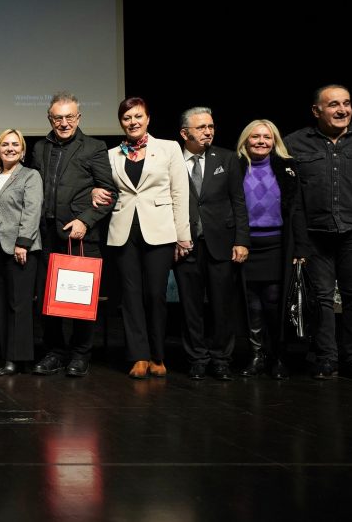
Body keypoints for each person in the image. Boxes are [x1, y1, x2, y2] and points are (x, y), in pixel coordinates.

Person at [285, 85, 352, 381]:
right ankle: (327, 358)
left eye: (347, 103)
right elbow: (290, 198)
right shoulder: (294, 143)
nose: (342, 110)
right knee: (321, 298)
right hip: (315, 232)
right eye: (334, 104)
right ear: (317, 111)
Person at [98, 97, 190, 379]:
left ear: (148, 118)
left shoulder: (169, 148)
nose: (133, 122)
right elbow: (103, 187)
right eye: (127, 118)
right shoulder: (112, 154)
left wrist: (183, 236)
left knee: (155, 294)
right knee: (130, 296)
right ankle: (138, 355)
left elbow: (179, 192)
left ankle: (157, 355)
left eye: (138, 116)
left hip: (160, 231)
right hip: (124, 232)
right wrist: (94, 192)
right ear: (121, 123)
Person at [31, 92, 117, 378]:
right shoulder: (39, 148)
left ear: (79, 118)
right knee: (47, 299)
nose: (64, 122)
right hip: (47, 237)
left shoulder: (94, 147)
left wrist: (86, 221)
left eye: (70, 117)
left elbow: (108, 193)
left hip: (79, 236)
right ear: (50, 119)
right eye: (58, 117)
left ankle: (80, 354)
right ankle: (55, 352)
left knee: (81, 299)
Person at [173, 107, 250, 381]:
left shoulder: (227, 158)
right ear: (185, 133)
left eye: (211, 126)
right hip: (185, 245)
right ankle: (197, 357)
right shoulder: (172, 160)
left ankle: (220, 359)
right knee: (190, 307)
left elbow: (239, 201)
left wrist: (242, 240)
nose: (208, 131)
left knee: (222, 305)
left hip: (221, 242)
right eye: (201, 127)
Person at [234, 119, 308, 380]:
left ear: (275, 141)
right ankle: (257, 355)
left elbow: (297, 210)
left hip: (278, 246)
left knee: (274, 304)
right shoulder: (236, 166)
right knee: (251, 305)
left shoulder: (288, 168)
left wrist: (300, 247)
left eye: (267, 137)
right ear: (246, 140)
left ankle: (278, 355)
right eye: (255, 137)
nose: (261, 141)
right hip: (245, 246)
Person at [0, 129, 42, 375]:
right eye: (4, 144)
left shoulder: (30, 176)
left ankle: (18, 359)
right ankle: (10, 355)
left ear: (23, 150)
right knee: (4, 303)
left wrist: (23, 243)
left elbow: (32, 210)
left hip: (19, 246)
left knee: (19, 304)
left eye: (15, 144)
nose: (10, 148)